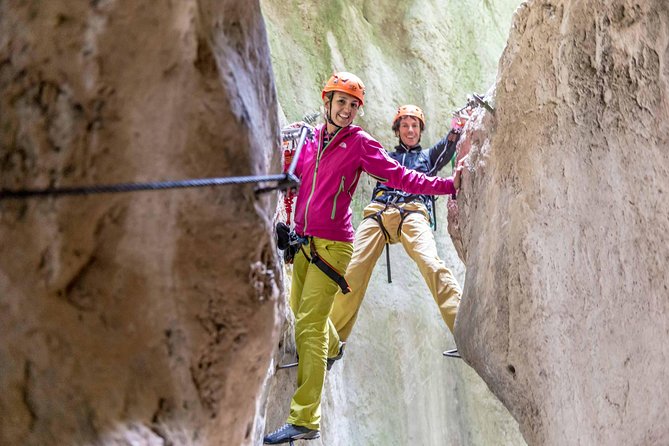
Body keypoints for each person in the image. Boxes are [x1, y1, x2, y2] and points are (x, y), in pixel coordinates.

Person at [263, 76, 460, 444]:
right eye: (342, 102)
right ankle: (335, 346)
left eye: (353, 105)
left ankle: (304, 419)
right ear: (327, 101)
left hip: (334, 245)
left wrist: (447, 186)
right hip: (304, 243)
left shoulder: (360, 144)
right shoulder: (309, 142)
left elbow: (403, 175)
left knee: (308, 324)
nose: (347, 110)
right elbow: (295, 184)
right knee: (307, 316)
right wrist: (284, 223)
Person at [329, 104, 463, 348]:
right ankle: (329, 342)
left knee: (431, 263)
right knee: (351, 271)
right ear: (397, 129)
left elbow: (449, 145)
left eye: (414, 126)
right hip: (379, 211)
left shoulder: (428, 157)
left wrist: (456, 128)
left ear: (420, 130)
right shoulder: (387, 158)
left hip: (412, 211)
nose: (410, 130)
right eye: (405, 125)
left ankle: (463, 329)